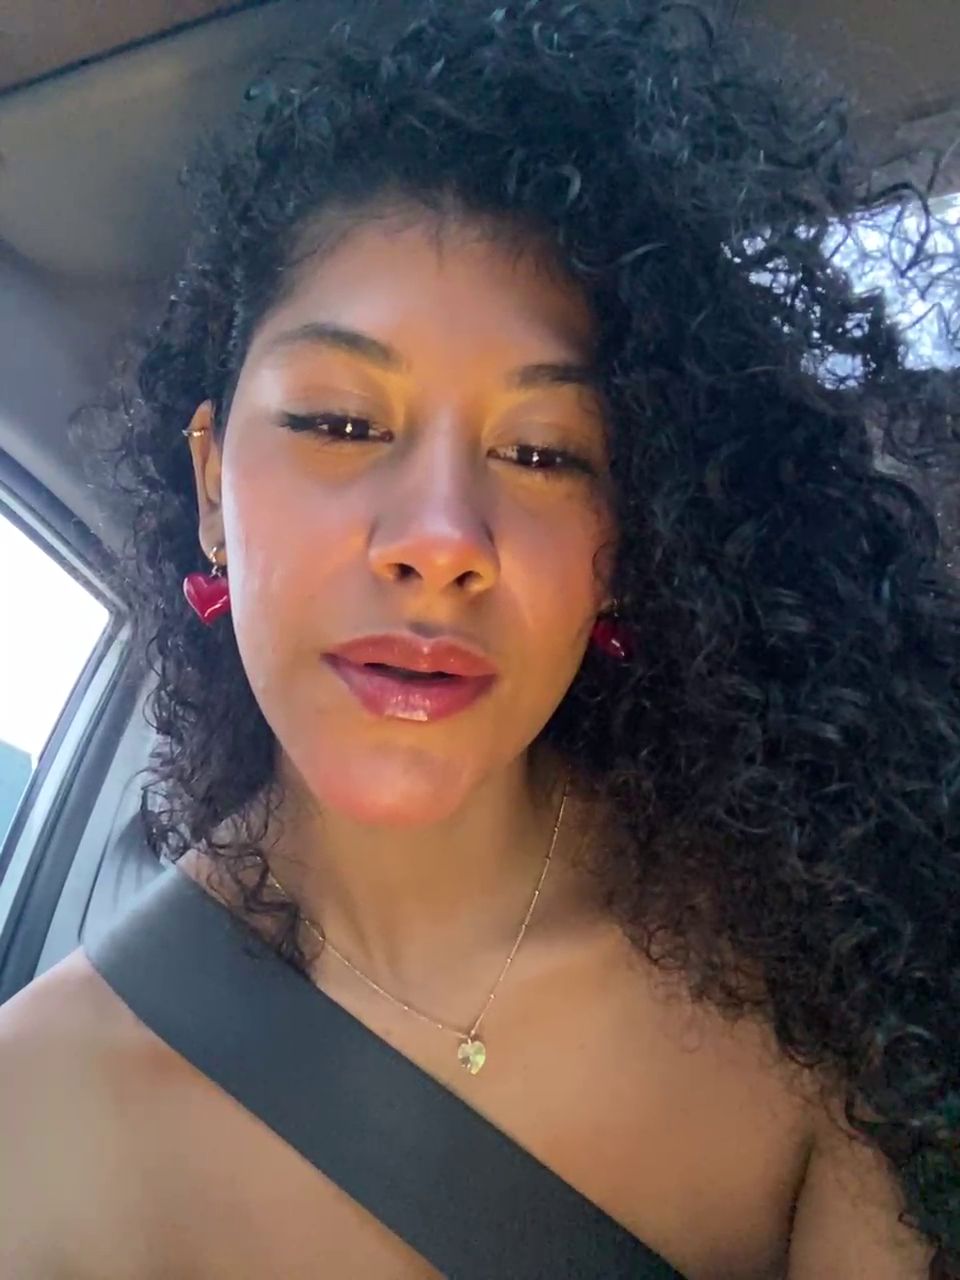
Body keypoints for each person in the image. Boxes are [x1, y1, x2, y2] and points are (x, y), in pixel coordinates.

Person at [1, 0, 958, 1275]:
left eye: (545, 451)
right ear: (213, 484)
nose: (443, 537)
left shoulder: (836, 956)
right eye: (341, 423)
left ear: (625, 539)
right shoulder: (35, 1121)